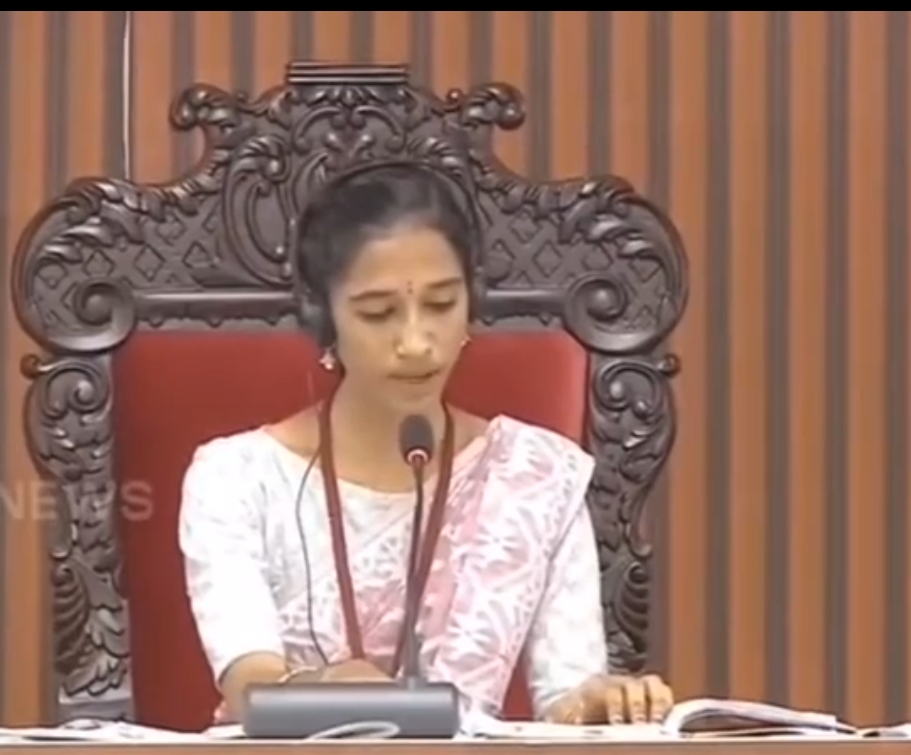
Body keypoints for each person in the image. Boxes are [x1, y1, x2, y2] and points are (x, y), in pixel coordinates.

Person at [177, 163, 674, 726]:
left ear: (472, 301)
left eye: (440, 305)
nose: (416, 343)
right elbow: (249, 685)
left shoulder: (536, 476)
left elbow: (566, 697)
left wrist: (598, 706)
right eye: (378, 313)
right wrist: (323, 687)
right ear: (323, 316)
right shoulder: (236, 479)